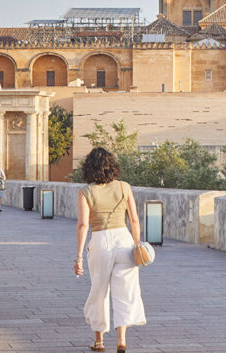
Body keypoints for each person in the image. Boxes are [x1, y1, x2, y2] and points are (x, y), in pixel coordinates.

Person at [74, 147, 145, 353]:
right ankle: (121, 340)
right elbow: (134, 219)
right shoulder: (124, 187)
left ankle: (99, 341)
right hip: (124, 240)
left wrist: (78, 257)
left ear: (89, 167)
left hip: (100, 241)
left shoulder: (85, 192)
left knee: (99, 290)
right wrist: (137, 243)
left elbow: (82, 225)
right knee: (125, 291)